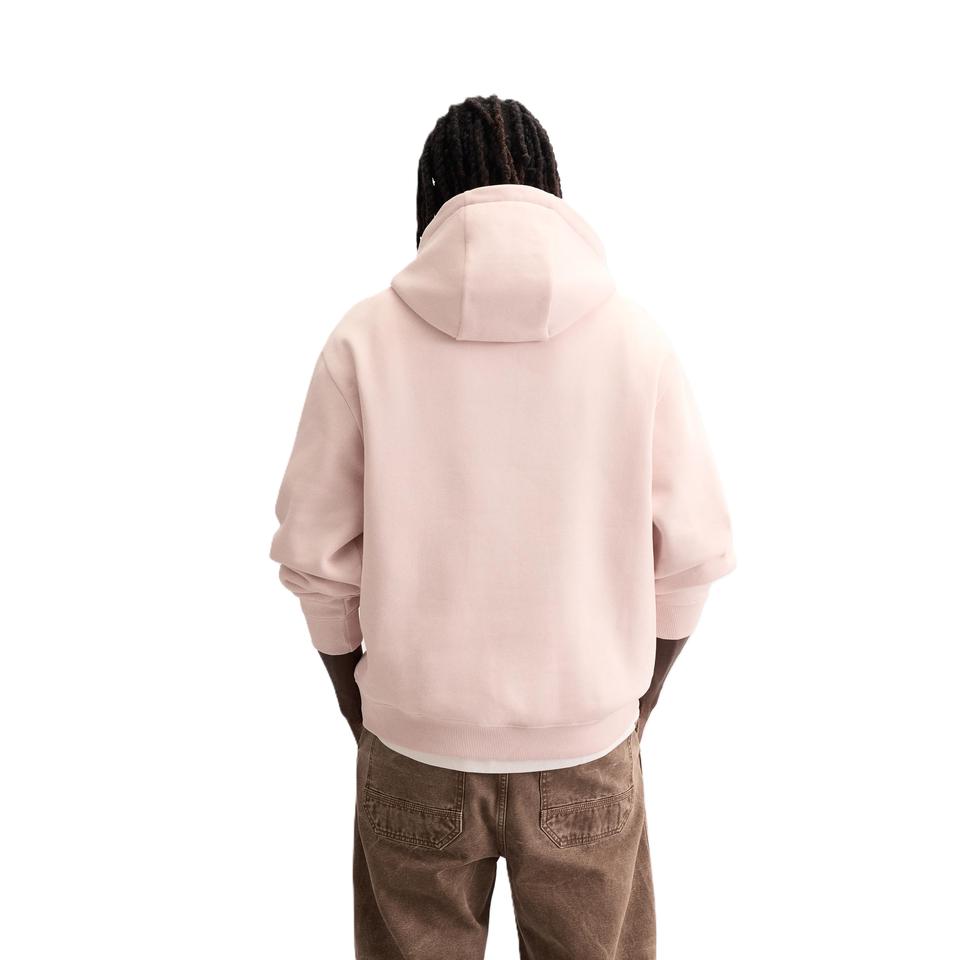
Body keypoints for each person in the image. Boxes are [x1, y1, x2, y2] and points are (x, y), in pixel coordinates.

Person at [270, 95, 734, 960]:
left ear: (430, 200)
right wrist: (632, 706)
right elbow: (692, 559)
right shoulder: (636, 343)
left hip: (413, 746)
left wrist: (364, 706)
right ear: (551, 187)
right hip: (588, 747)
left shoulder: (362, 342)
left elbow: (317, 562)